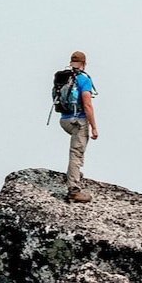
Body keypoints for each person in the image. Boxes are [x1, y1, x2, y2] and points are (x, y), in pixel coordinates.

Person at [52, 51, 100, 203]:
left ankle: (75, 173)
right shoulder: (83, 79)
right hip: (78, 120)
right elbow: (87, 105)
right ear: (84, 63)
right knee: (76, 153)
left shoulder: (64, 77)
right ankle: (73, 189)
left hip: (64, 120)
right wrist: (94, 127)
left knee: (77, 148)